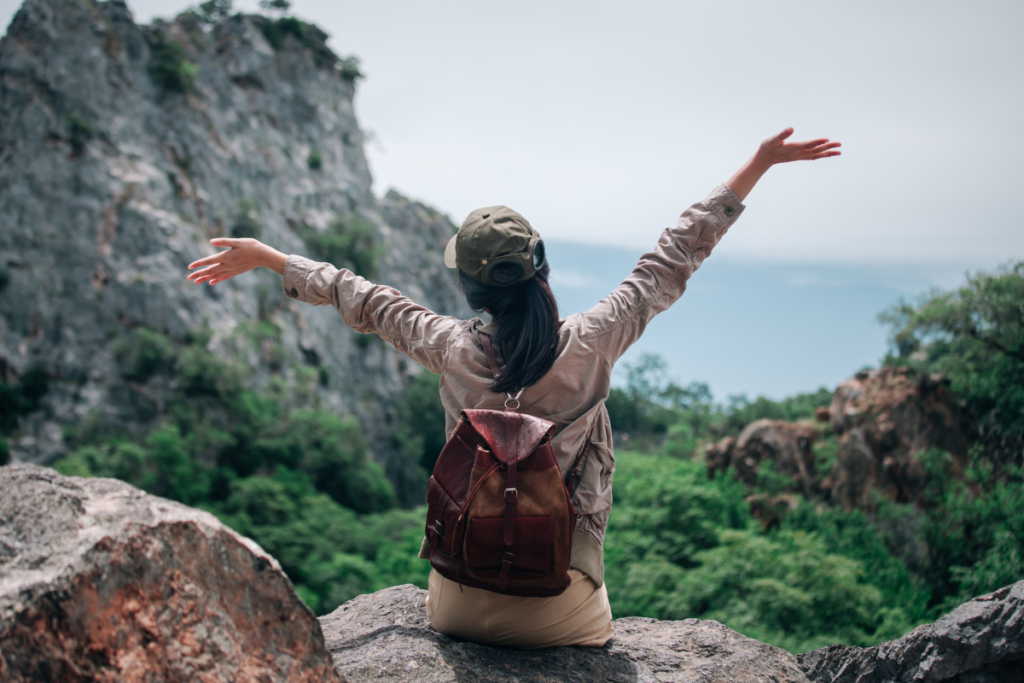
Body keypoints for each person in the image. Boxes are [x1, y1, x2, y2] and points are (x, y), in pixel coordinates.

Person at [186, 127, 840, 648]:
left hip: (457, 605)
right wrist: (756, 163)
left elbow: (365, 298)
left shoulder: (448, 346)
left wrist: (271, 257)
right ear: (542, 269)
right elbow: (671, 257)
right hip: (564, 609)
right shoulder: (594, 340)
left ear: (470, 288)